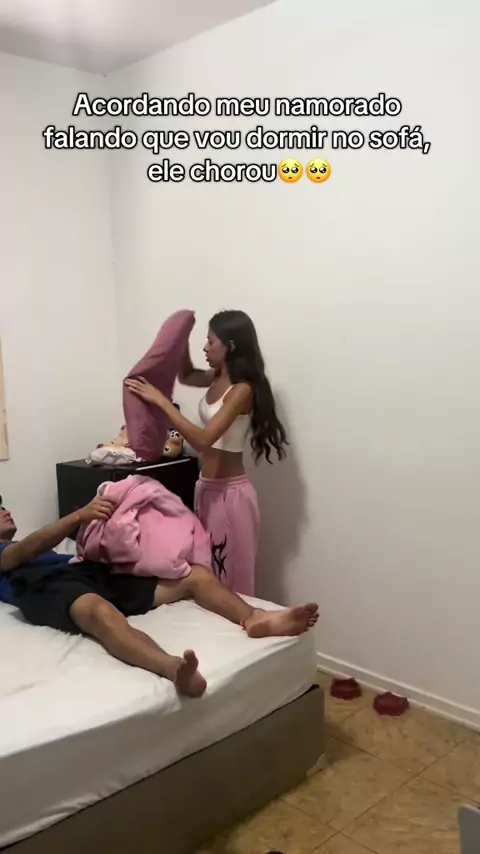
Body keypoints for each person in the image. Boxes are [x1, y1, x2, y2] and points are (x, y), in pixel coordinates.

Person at [0, 497, 318, 698]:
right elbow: (23, 551)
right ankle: (172, 668)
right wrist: (77, 517)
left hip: (85, 572)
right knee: (100, 613)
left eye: (4, 506)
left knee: (193, 576)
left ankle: (254, 618)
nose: (6, 510)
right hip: (43, 587)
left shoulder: (42, 548)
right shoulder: (6, 554)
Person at [125, 310, 287, 595]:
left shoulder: (241, 391)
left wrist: (162, 402)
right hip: (206, 489)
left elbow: (203, 440)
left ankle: (249, 620)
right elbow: (186, 374)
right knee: (209, 573)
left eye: (211, 341)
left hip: (231, 496)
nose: (205, 347)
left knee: (233, 579)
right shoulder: (216, 377)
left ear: (230, 346)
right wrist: (180, 337)